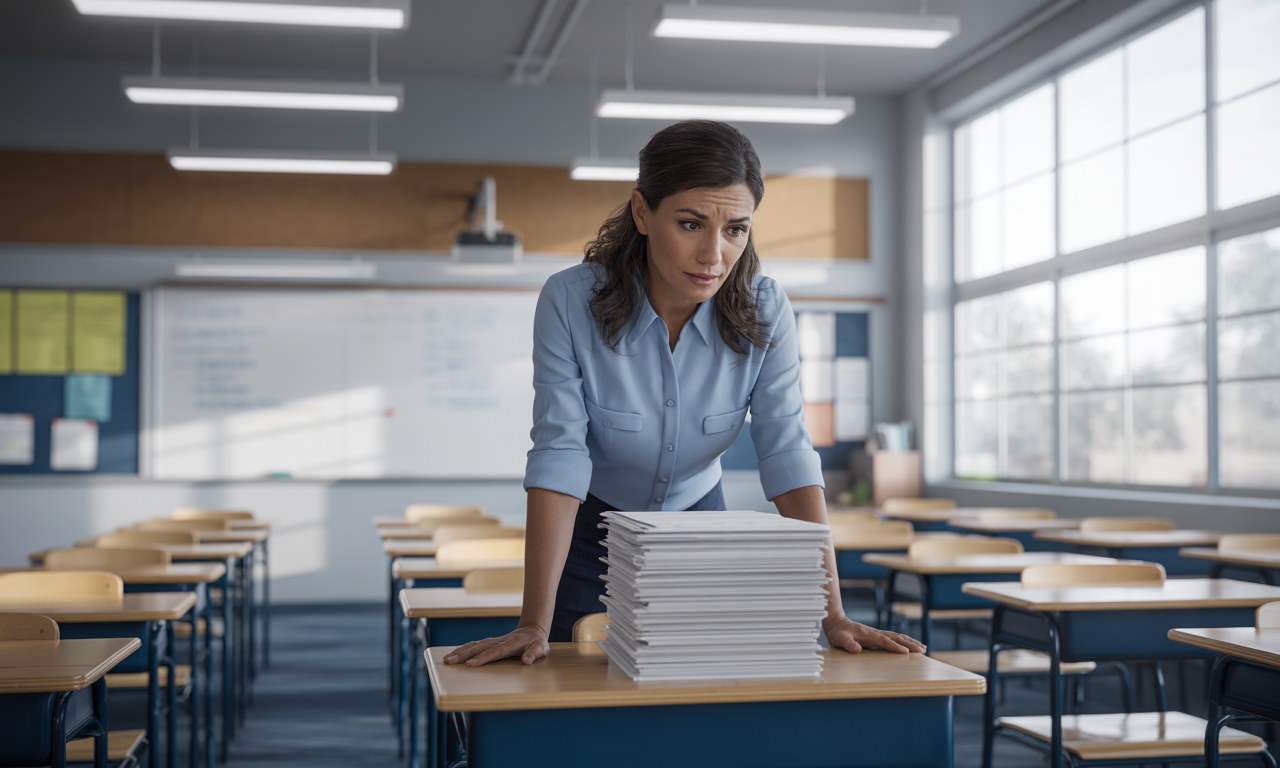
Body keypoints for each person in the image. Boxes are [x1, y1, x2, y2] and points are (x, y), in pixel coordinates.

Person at [446, 120, 924, 667]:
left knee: (697, 687)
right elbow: (560, 451)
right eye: (691, 224)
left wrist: (831, 612)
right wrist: (532, 622)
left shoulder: (766, 309)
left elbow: (787, 451)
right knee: (563, 686)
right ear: (643, 213)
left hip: (700, 527)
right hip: (587, 532)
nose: (713, 255)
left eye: (735, 230)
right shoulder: (570, 301)